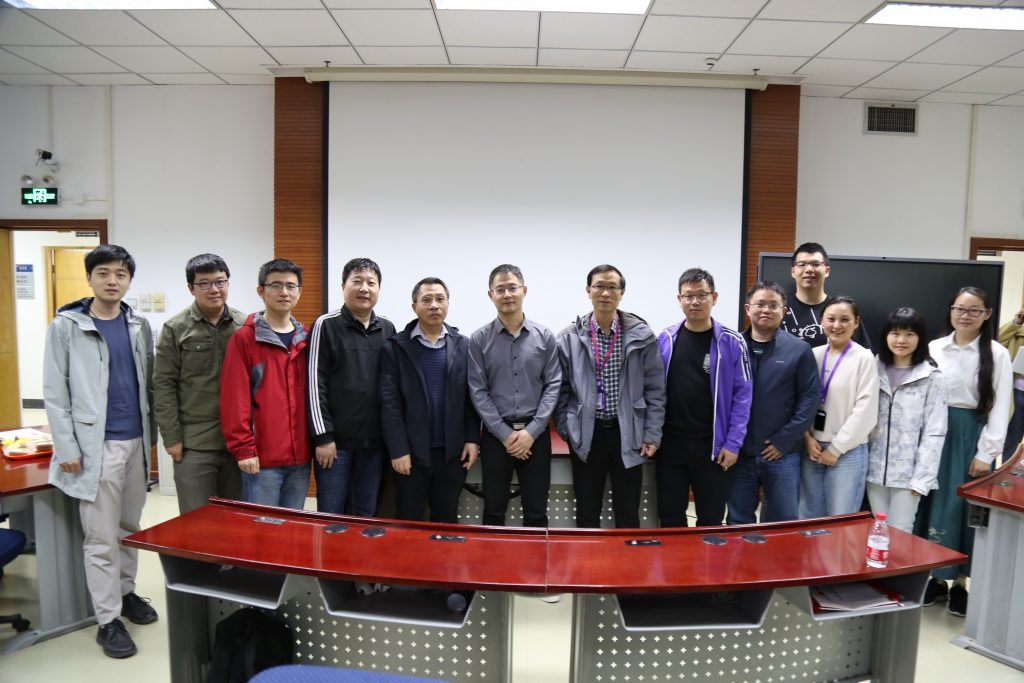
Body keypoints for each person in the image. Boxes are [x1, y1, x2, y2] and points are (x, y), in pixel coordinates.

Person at [43, 244, 158, 659]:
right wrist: (67, 446)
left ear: (129, 280)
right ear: (89, 277)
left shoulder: (138, 324)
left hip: (136, 442)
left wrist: (151, 440)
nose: (113, 281)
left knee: (129, 527)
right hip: (97, 446)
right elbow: (55, 392)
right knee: (101, 538)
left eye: (121, 274)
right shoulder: (67, 326)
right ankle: (107, 620)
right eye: (104, 273)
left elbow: (147, 384)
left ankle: (126, 594)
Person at [919, 287, 1012, 617]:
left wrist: (986, 453)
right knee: (932, 504)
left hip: (969, 436)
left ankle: (959, 583)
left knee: (961, 508)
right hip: (934, 432)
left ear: (987, 315)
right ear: (951, 311)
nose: (965, 316)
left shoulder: (997, 354)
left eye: (974, 311)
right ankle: (935, 578)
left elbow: (1000, 406)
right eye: (959, 309)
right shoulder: (934, 348)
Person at [555, 264, 665, 529]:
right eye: (599, 286)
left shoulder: (642, 336)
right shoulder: (569, 338)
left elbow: (655, 389)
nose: (605, 293)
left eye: (612, 287)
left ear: (622, 292)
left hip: (628, 432)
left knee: (628, 512)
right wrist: (568, 428)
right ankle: (588, 557)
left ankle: (627, 557)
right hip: (586, 433)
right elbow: (559, 389)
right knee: (587, 511)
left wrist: (652, 434)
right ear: (588, 290)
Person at [656, 268, 752, 527]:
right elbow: (652, 392)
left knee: (710, 519)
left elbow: (743, 398)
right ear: (679, 299)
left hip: (713, 447)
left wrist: (733, 444)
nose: (695, 301)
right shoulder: (665, 339)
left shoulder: (732, 342)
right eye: (688, 296)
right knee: (670, 517)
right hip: (670, 445)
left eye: (702, 295)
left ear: (714, 297)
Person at [379, 277, 480, 523]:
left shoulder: (463, 345)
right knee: (409, 519)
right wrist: (399, 450)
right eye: (426, 300)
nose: (434, 305)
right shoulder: (395, 348)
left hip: (452, 454)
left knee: (446, 520)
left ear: (448, 304)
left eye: (439, 299)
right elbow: (390, 405)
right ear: (414, 306)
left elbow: (471, 399)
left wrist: (472, 438)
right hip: (411, 455)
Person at [468, 264, 561, 528]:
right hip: (496, 438)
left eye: (512, 288)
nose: (507, 294)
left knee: (537, 513)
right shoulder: (479, 340)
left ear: (524, 290)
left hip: (536, 436)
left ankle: (535, 559)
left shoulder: (545, 337)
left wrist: (532, 431)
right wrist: (505, 434)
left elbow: (553, 385)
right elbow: (478, 390)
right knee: (493, 512)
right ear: (491, 295)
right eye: (500, 289)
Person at [154, 254, 246, 515]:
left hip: (237, 443)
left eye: (220, 282)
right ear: (191, 288)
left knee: (235, 520)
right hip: (194, 444)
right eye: (204, 283)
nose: (214, 289)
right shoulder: (175, 328)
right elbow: (163, 385)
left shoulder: (244, 326)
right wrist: (172, 438)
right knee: (197, 521)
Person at [307, 257, 396, 516]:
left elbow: (392, 386)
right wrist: (323, 437)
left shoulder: (387, 328)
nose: (364, 288)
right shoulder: (326, 325)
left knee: (366, 516)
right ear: (343, 286)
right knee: (331, 516)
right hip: (336, 445)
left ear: (379, 288)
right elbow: (314, 384)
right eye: (357, 281)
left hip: (375, 444)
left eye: (371, 282)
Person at [220, 259, 311, 510]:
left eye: (291, 286)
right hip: (262, 461)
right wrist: (244, 449)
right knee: (263, 528)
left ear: (299, 292)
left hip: (300, 460)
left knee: (292, 526)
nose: (284, 292)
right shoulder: (245, 339)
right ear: (261, 291)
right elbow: (234, 399)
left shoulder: (306, 339)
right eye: (276, 285)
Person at [728, 281, 818, 525]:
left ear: (784, 311)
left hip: (782, 454)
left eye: (773, 305)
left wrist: (784, 440)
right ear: (748, 309)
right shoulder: (732, 346)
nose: (766, 310)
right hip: (739, 453)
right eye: (760, 304)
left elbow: (809, 399)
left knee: (782, 523)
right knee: (738, 521)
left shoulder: (799, 350)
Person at [867, 308, 947, 534]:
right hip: (873, 471)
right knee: (879, 530)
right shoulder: (873, 368)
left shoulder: (931, 377)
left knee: (900, 532)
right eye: (895, 333)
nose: (901, 340)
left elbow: (935, 431)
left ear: (920, 338)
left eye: (909, 334)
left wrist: (922, 478)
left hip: (909, 475)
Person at [801, 296, 879, 518]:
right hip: (812, 448)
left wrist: (835, 449)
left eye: (845, 319)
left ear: (856, 323)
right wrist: (806, 438)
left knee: (840, 519)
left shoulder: (864, 358)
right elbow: (800, 400)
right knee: (808, 517)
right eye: (831, 319)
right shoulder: (813, 355)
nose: (837, 325)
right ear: (821, 321)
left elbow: (866, 410)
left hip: (847, 452)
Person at [784, 242, 871, 349]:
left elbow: (865, 352)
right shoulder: (779, 310)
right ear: (793, 271)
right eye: (801, 264)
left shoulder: (843, 311)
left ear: (827, 271)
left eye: (815, 264)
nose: (809, 269)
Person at [997, 307, 1024, 460]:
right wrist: (1016, 323)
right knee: (1012, 440)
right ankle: (1007, 472)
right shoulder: (1017, 331)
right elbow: (997, 340)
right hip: (1019, 393)